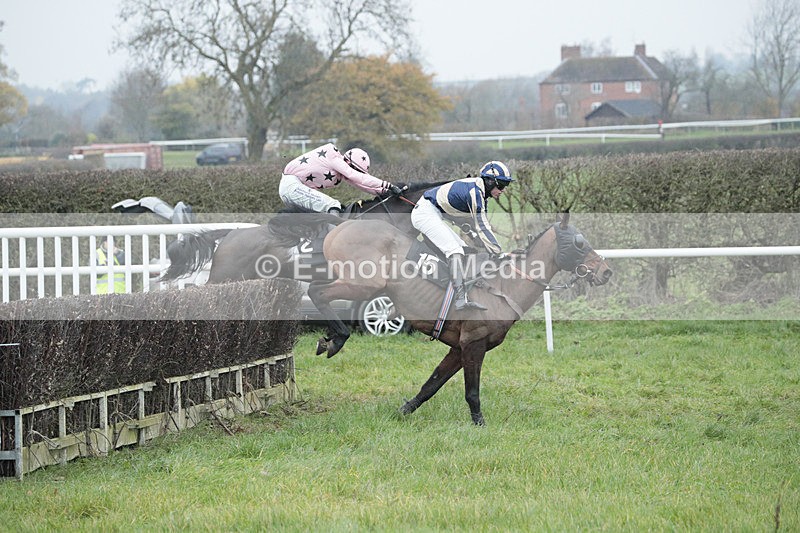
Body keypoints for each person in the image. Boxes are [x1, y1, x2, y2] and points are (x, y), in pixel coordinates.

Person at [411, 160, 513, 311]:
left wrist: (473, 235)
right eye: (502, 185)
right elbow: (483, 226)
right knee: (454, 251)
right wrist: (498, 253)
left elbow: (458, 215)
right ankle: (459, 299)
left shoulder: (479, 191)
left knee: (466, 251)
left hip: (436, 213)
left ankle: (458, 287)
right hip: (425, 213)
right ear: (490, 182)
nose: (503, 190)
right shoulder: (475, 192)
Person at [279, 143, 403, 215]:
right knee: (333, 205)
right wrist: (389, 185)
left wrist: (384, 192)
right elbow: (357, 177)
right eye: (355, 169)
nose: (356, 172)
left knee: (323, 213)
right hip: (291, 186)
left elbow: (359, 184)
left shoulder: (343, 167)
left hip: (294, 187)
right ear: (348, 161)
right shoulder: (335, 159)